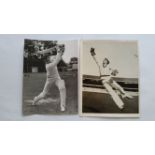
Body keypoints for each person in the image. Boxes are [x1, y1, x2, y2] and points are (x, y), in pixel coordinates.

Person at [32, 45, 66, 111]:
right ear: (46, 61)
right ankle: (35, 100)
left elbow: (59, 55)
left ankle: (63, 106)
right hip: (49, 80)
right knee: (43, 94)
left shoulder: (51, 59)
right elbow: (58, 59)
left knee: (62, 87)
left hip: (57, 78)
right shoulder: (49, 66)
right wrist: (59, 50)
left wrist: (61, 50)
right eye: (48, 58)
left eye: (48, 57)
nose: (50, 58)